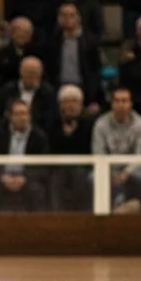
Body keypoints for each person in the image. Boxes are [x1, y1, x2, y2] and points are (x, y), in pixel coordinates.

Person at [0, 99, 49, 213]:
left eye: (25, 114)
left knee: (36, 191)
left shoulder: (39, 136)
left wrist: (25, 178)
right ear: (10, 116)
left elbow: (42, 166)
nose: (22, 118)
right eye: (18, 114)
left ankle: (37, 228)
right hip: (3, 176)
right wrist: (3, 177)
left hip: (27, 177)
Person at [93, 87, 141, 213]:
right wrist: (110, 172)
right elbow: (98, 153)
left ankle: (139, 208)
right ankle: (100, 213)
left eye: (124, 101)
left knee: (140, 176)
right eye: (117, 101)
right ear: (112, 104)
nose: (121, 105)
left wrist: (126, 172)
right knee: (93, 177)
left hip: (132, 169)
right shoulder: (101, 124)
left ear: (131, 104)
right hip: (108, 168)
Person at [44, 3, 102, 111]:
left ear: (78, 18)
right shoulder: (52, 42)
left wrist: (94, 98)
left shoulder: (90, 43)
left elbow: (95, 72)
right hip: (59, 87)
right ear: (59, 19)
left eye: (71, 15)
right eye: (64, 15)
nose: (68, 19)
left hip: (84, 88)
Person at [47, 84, 95, 212]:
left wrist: (73, 134)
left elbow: (88, 150)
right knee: (57, 178)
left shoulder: (89, 124)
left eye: (74, 102)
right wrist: (65, 136)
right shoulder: (52, 124)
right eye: (67, 102)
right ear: (60, 105)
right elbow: (51, 150)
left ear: (81, 105)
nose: (71, 106)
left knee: (81, 177)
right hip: (58, 167)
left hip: (82, 167)